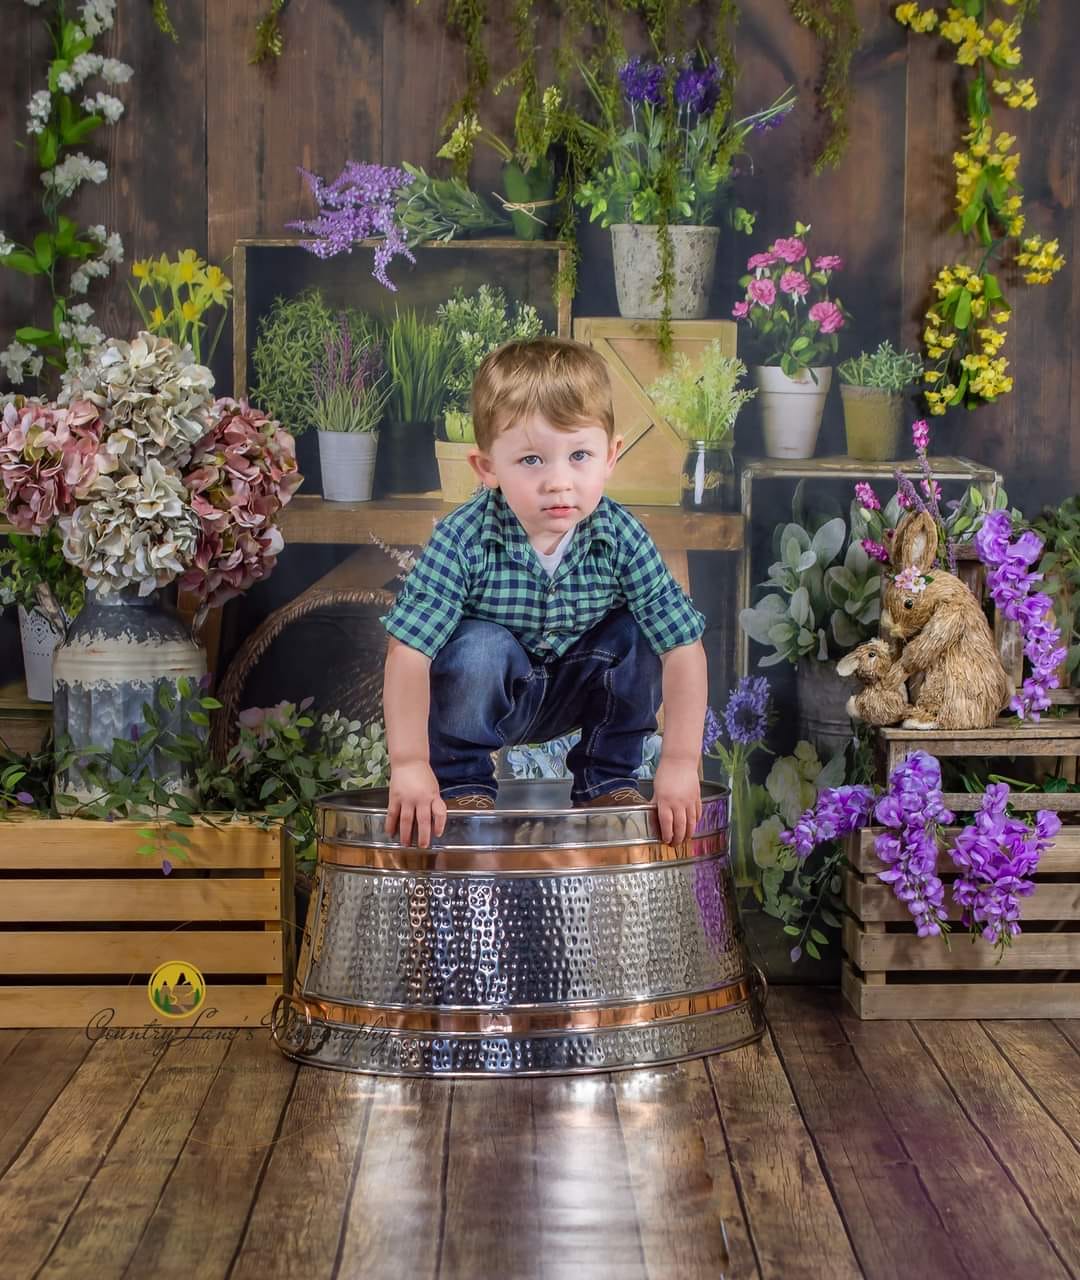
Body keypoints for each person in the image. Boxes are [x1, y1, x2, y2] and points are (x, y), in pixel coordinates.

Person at [379, 336, 708, 848]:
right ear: (487, 468)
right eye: (532, 460)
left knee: (642, 634)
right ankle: (462, 779)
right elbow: (408, 653)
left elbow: (683, 648)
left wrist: (682, 762)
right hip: (491, 695)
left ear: (610, 455)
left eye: (579, 455)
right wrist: (409, 764)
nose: (559, 482)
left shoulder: (620, 535)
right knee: (479, 644)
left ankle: (607, 778)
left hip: (579, 686)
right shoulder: (464, 537)